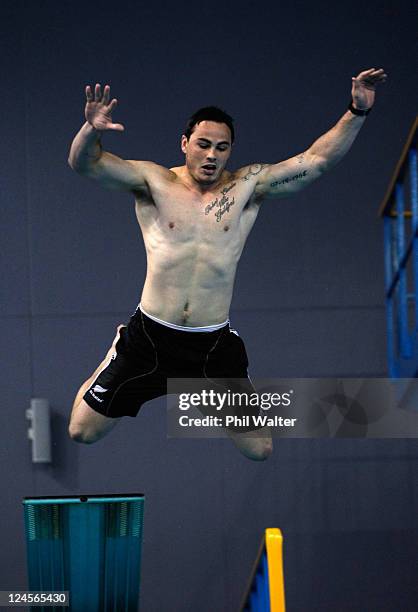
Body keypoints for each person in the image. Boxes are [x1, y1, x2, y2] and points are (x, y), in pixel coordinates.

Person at [67, 68, 387, 460]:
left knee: (260, 449)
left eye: (221, 148)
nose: (211, 155)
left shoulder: (247, 187)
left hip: (211, 345)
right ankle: (115, 352)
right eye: (203, 144)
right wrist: (91, 129)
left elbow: (316, 161)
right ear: (185, 143)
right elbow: (85, 164)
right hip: (149, 336)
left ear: (230, 151)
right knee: (81, 432)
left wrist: (357, 110)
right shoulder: (153, 181)